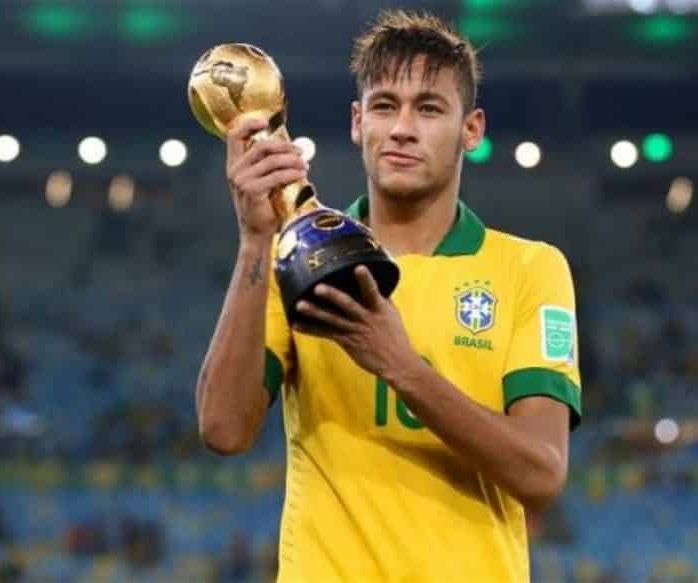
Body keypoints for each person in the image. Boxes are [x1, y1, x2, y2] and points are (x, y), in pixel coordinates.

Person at [196, 9, 582, 581]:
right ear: (358, 122)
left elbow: (542, 474)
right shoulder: (295, 259)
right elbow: (224, 430)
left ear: (471, 129)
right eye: (384, 105)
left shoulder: (530, 268)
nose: (402, 128)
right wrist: (255, 241)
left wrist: (402, 367)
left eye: (428, 108)